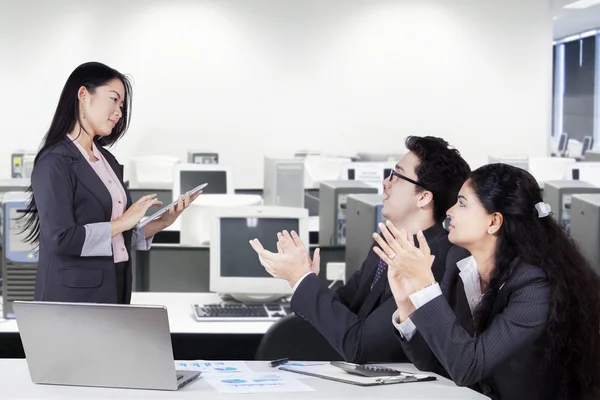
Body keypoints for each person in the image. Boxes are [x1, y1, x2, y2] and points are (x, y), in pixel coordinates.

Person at [375, 163, 600, 399]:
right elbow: (435, 359)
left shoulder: (535, 285)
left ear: (494, 222)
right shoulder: (459, 261)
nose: (450, 210)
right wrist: (406, 307)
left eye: (461, 203)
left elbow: (468, 367)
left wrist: (425, 286)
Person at [249, 136, 471, 363]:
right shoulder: (387, 245)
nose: (386, 183)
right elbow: (345, 307)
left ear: (423, 197)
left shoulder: (433, 264)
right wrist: (306, 278)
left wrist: (301, 279)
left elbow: (359, 346)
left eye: (396, 176)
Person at [21, 62, 201, 304]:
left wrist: (161, 222)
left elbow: (116, 238)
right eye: (114, 99)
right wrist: (123, 221)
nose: (119, 112)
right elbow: (61, 238)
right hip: (72, 298)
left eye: (122, 105)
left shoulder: (107, 160)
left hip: (114, 288)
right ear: (84, 95)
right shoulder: (54, 161)